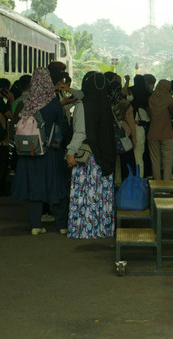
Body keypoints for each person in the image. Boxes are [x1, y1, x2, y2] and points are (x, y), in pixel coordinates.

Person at [11, 68, 70, 235]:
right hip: (50, 151)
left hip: (30, 152)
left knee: (34, 188)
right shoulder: (53, 103)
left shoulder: (27, 102)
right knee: (57, 186)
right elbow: (63, 127)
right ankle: (61, 225)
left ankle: (36, 225)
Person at [65, 72, 116, 239]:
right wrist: (70, 90)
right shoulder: (105, 103)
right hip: (105, 156)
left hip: (88, 159)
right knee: (100, 193)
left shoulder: (82, 105)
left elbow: (80, 132)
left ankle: (84, 229)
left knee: (86, 193)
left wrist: (70, 152)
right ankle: (102, 228)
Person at [147, 80, 173, 181]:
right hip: (166, 133)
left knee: (155, 160)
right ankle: (167, 184)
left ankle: (156, 184)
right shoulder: (168, 98)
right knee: (167, 160)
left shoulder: (151, 98)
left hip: (152, 133)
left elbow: (149, 113)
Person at [109, 80, 137, 185]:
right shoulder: (125, 104)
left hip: (110, 135)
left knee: (112, 162)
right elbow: (131, 124)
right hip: (125, 135)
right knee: (126, 162)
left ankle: (114, 183)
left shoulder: (106, 102)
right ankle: (126, 186)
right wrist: (134, 139)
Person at [130, 75, 151, 177]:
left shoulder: (131, 91)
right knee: (141, 154)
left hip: (131, 126)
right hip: (143, 128)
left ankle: (135, 176)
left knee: (134, 153)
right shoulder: (148, 93)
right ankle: (141, 176)